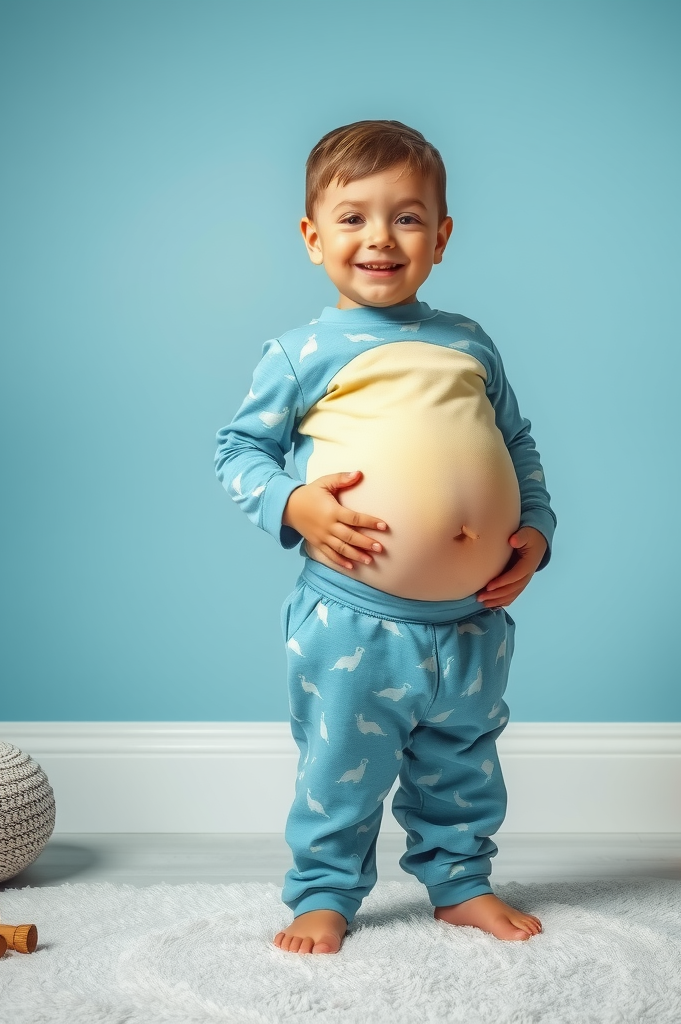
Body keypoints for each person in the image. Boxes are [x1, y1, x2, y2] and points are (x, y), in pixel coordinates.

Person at [215, 120, 556, 955]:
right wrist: (296, 506)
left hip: (473, 618)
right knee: (340, 770)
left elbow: (516, 444)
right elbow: (238, 451)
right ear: (313, 237)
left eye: (407, 217)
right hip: (354, 621)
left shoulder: (469, 341)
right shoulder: (302, 352)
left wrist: (536, 533)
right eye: (354, 217)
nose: (380, 237)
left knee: (465, 763)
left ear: (440, 236)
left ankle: (460, 883)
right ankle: (325, 896)